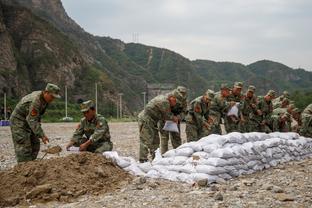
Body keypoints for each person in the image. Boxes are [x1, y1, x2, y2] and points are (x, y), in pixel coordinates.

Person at [10, 83, 61, 162]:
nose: (52, 99)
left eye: (54, 97)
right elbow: (32, 120)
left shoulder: (45, 100)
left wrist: (40, 134)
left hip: (29, 120)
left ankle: (31, 165)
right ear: (46, 92)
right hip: (18, 121)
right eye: (52, 96)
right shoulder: (36, 101)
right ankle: (23, 167)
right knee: (24, 144)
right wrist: (42, 135)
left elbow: (36, 117)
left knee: (35, 143)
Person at [138, 94, 179, 162]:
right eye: (174, 101)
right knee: (146, 140)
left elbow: (163, 115)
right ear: (171, 99)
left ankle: (155, 158)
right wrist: (174, 118)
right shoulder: (164, 102)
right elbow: (167, 115)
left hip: (153, 121)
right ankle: (143, 159)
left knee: (155, 140)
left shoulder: (165, 101)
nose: (174, 104)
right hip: (146, 120)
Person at [159, 86, 187, 154]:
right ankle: (164, 154)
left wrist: (178, 117)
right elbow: (163, 109)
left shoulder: (183, 101)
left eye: (183, 93)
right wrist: (170, 117)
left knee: (176, 138)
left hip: (175, 121)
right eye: (181, 92)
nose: (182, 94)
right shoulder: (168, 97)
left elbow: (184, 112)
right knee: (164, 138)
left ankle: (178, 154)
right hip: (164, 119)